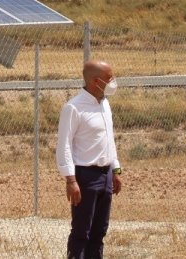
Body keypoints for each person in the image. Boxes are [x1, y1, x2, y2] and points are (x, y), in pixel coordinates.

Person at [56, 59, 124, 259]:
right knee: (81, 232)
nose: (113, 82)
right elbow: (64, 145)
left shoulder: (104, 104)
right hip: (85, 176)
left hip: (106, 176)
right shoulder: (73, 108)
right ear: (96, 81)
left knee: (99, 231)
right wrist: (70, 180)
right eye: (109, 78)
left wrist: (116, 171)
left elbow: (108, 141)